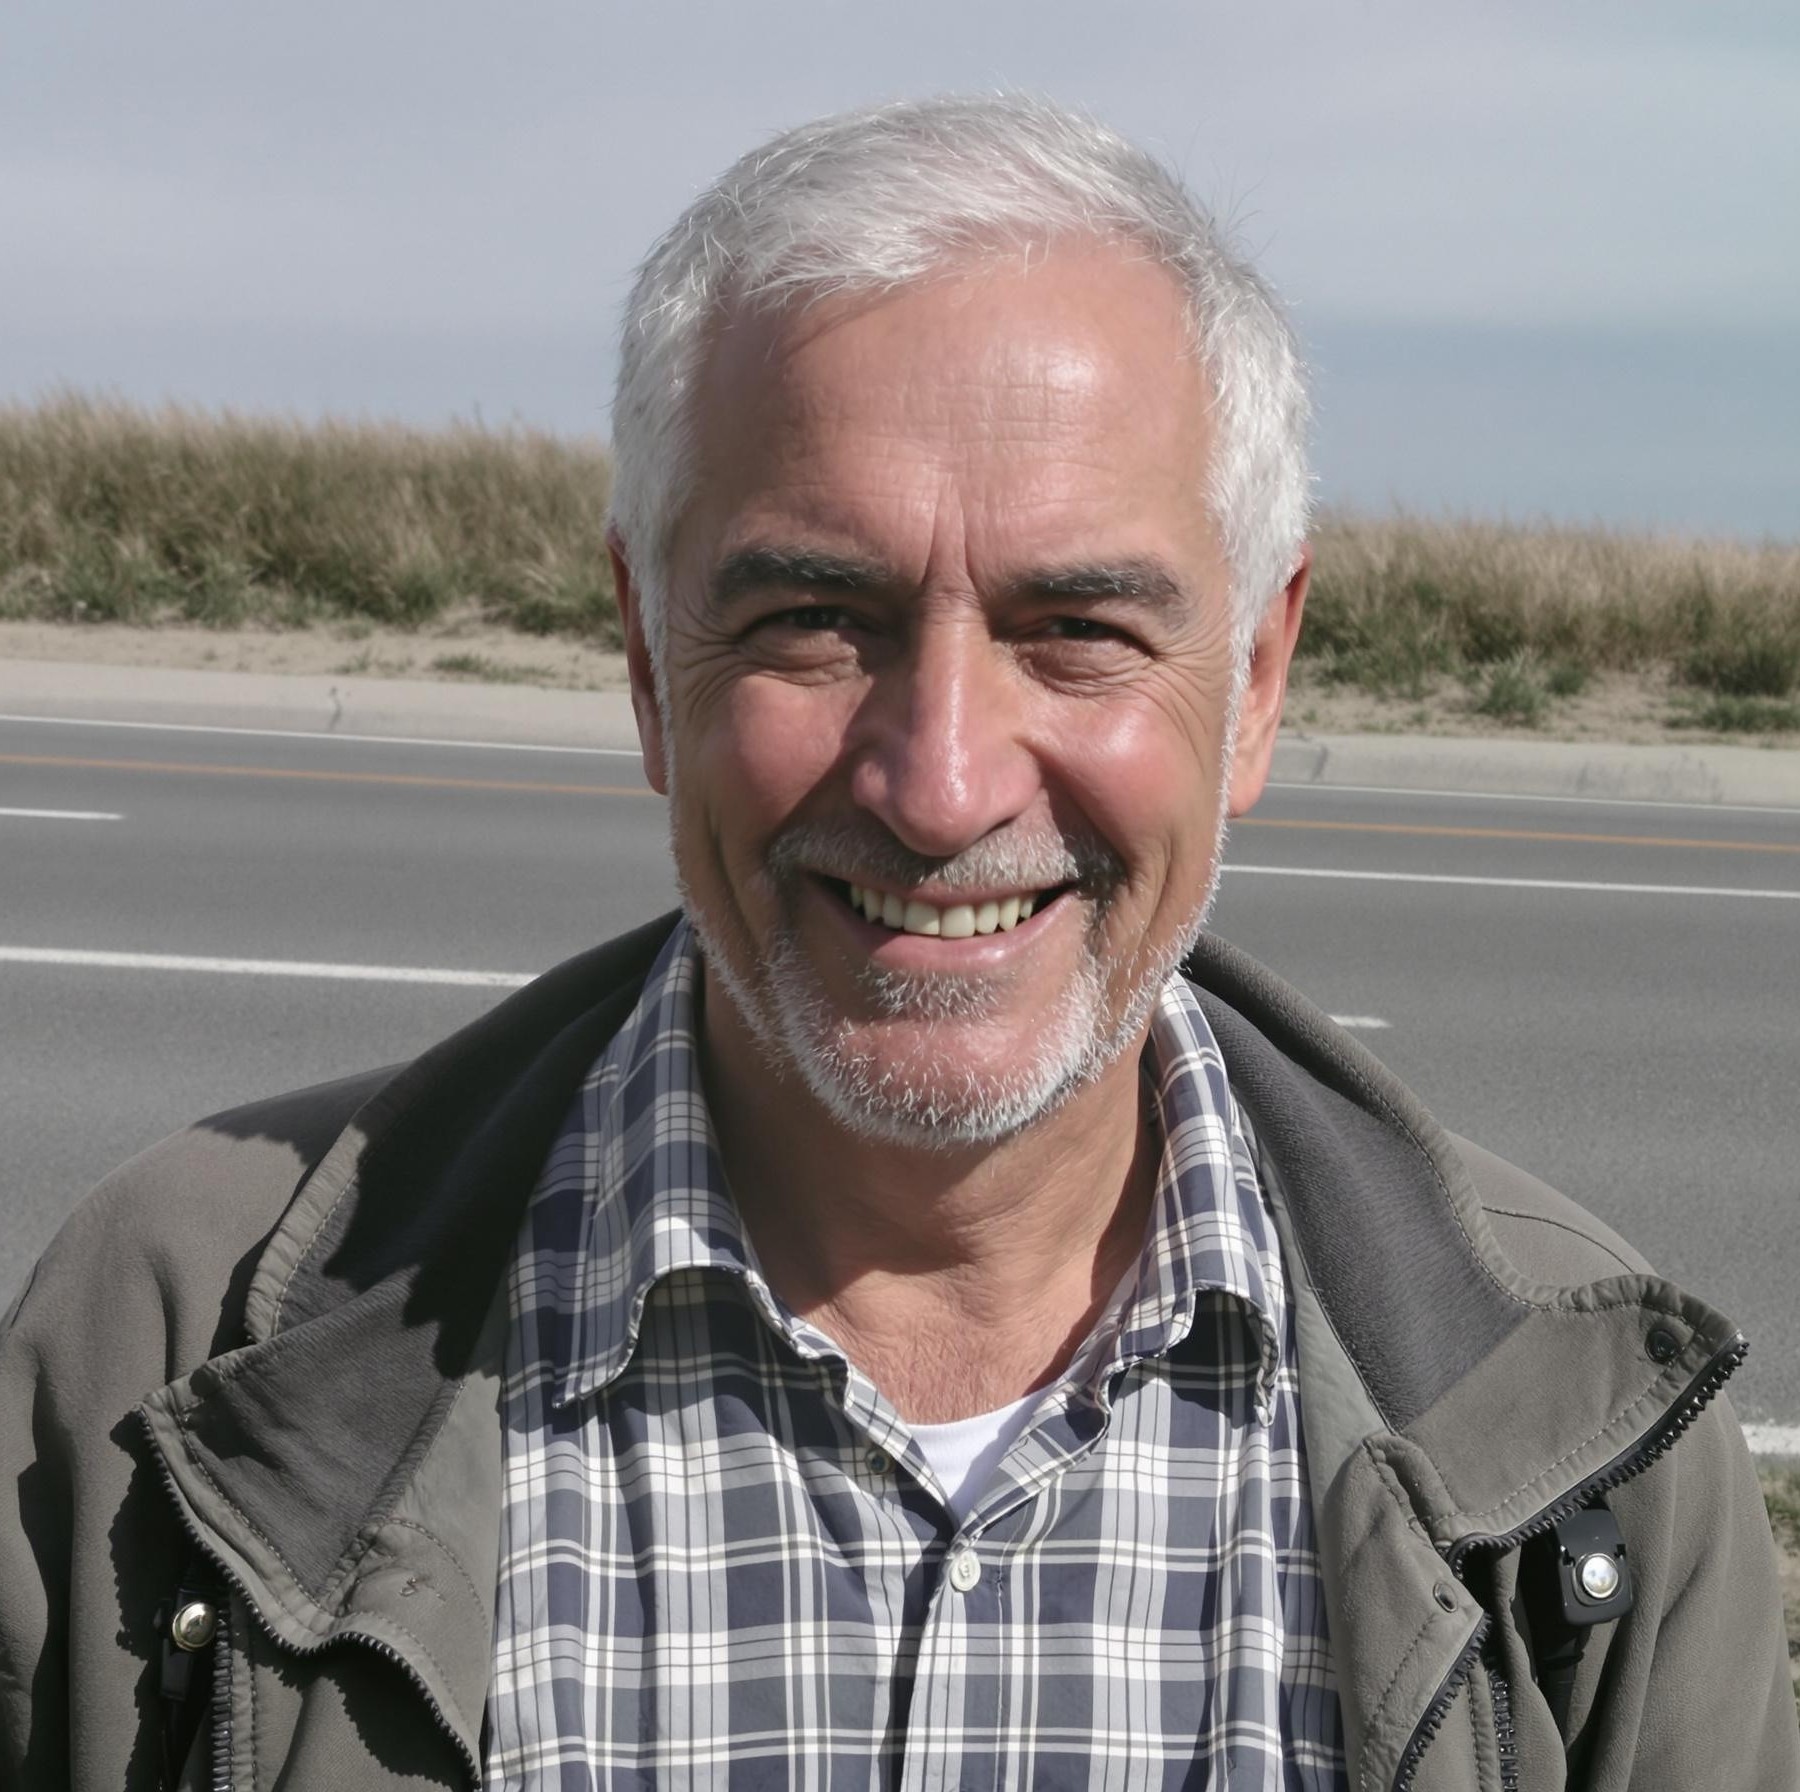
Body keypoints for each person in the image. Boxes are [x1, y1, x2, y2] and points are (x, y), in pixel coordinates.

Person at [1, 94, 1793, 1792]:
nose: (939, 785)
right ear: (647, 656)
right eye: (814, 615)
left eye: (1078, 629)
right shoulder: (154, 1358)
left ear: (1255, 681)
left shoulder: (1586, 1458)